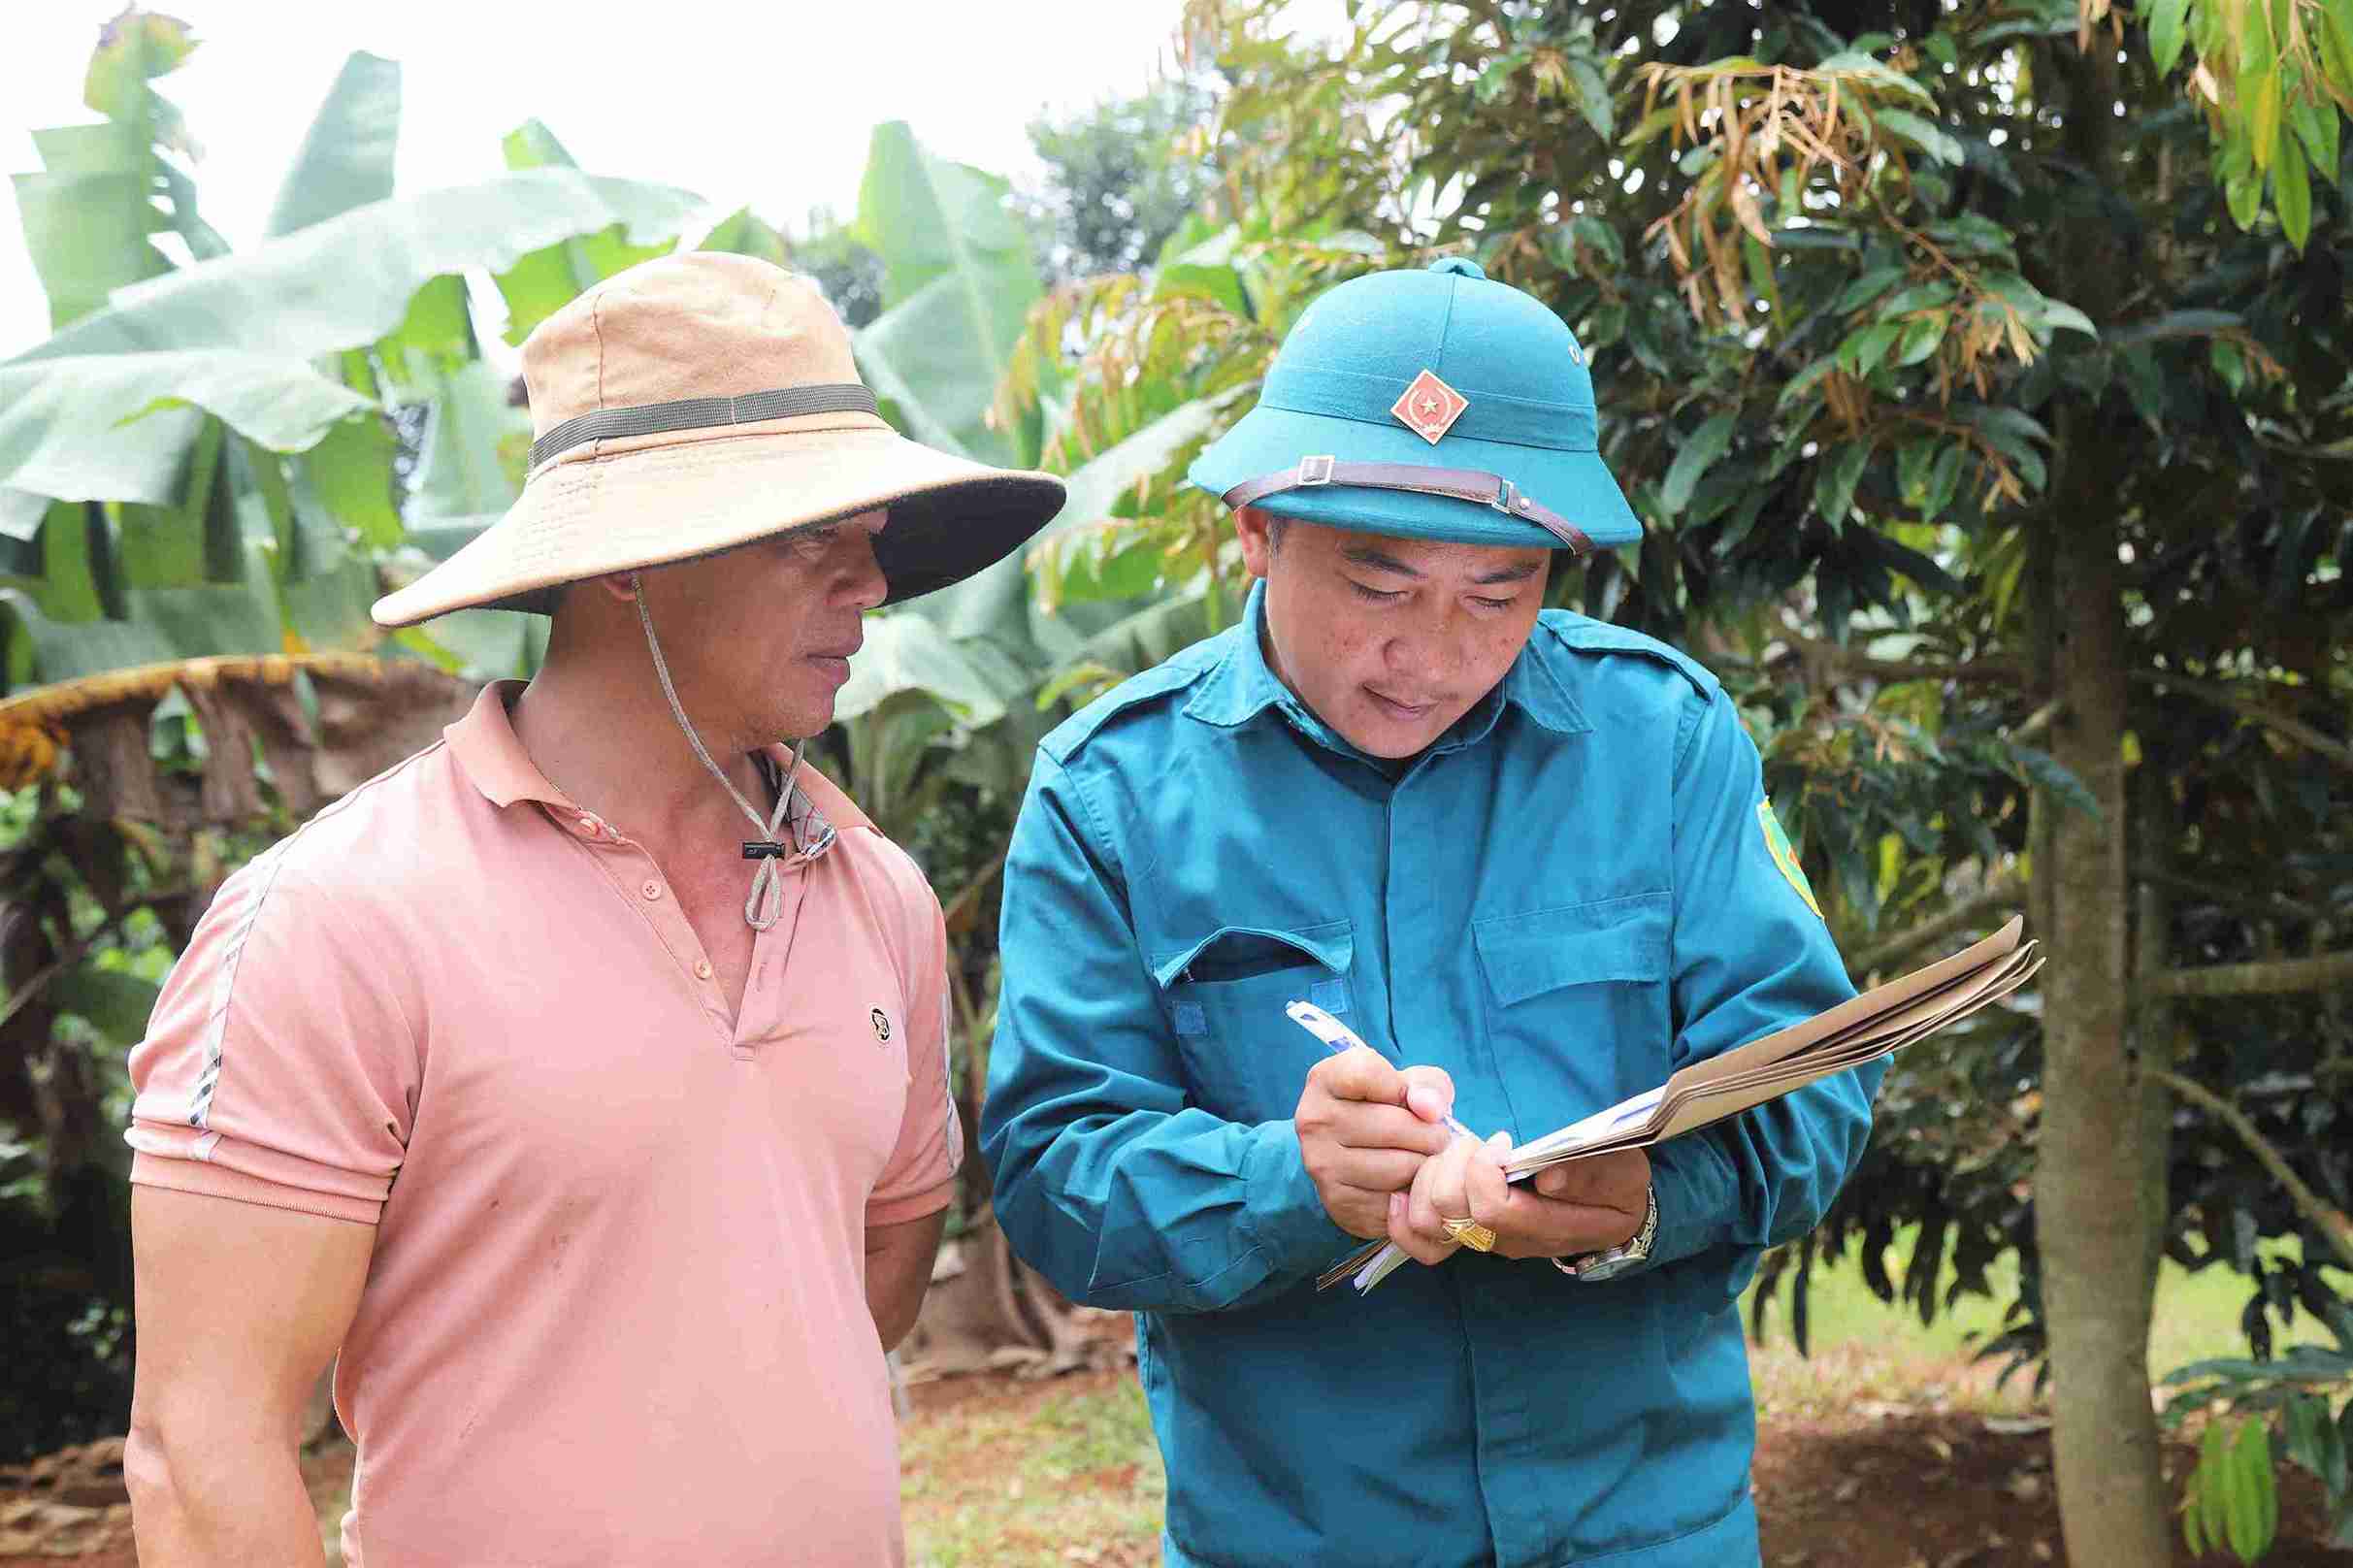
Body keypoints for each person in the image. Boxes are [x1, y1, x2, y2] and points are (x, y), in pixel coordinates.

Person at [121, 251, 1065, 1566]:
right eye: (812, 541)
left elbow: (863, 1285)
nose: (869, 587)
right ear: (625, 561)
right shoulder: (336, 921)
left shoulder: (877, 897)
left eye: (871, 543)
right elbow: (199, 1448)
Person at [981, 257, 1883, 1567]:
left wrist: (1641, 1199)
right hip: (1293, 1537)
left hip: (1644, 1528)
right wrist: (1287, 1183)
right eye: (1377, 583)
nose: (1432, 657)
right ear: (1254, 525)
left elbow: (1814, 1089)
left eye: (1498, 595)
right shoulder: (1112, 793)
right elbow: (1055, 1176)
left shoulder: (1662, 741)